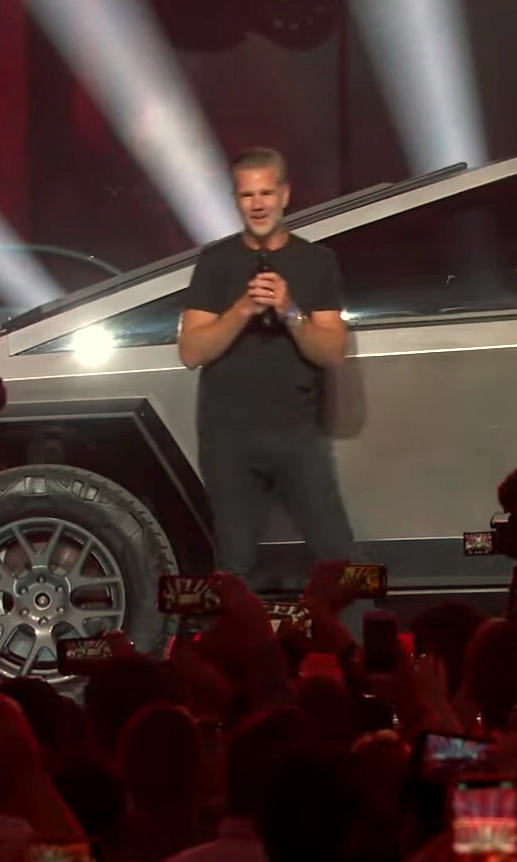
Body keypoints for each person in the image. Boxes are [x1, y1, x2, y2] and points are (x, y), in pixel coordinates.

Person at [178, 147, 356, 589]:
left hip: (298, 434)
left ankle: (358, 633)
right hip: (229, 438)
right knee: (234, 566)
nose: (257, 204)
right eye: (247, 195)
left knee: (338, 556)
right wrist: (242, 308)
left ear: (285, 195)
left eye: (266, 193)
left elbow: (332, 352)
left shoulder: (317, 262)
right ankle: (240, 635)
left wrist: (290, 310)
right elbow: (191, 351)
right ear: (236, 201)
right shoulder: (215, 263)